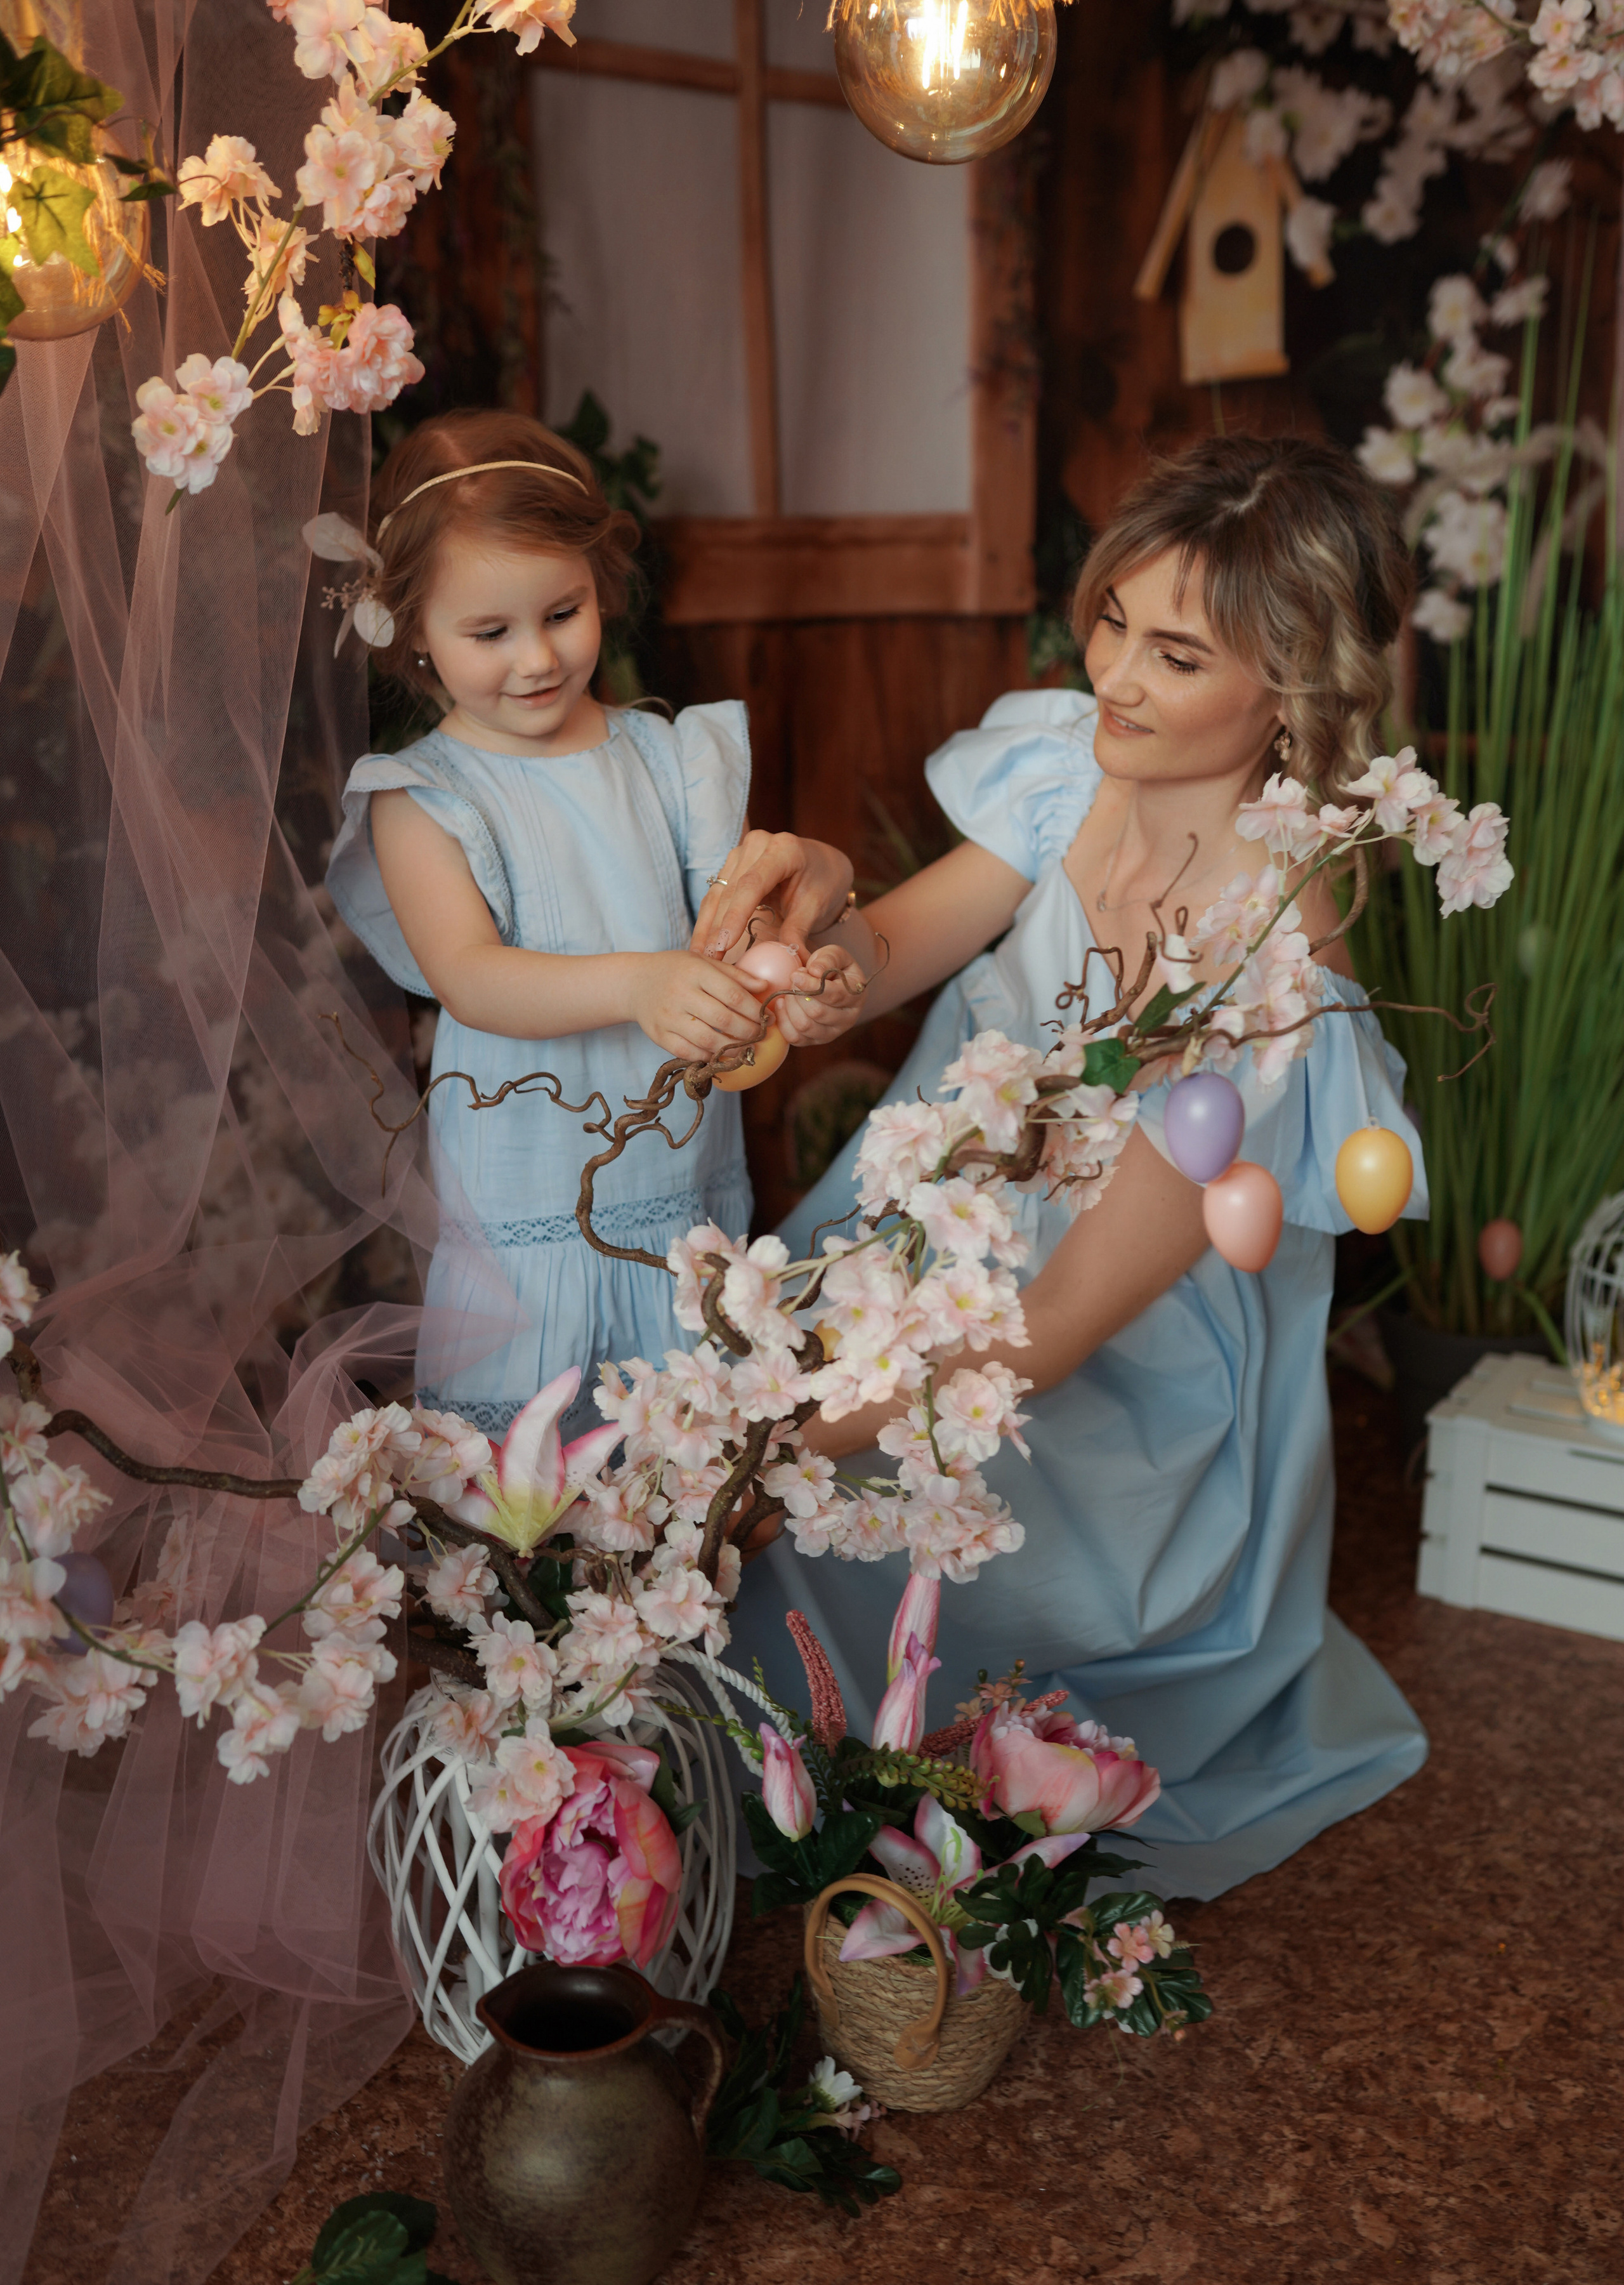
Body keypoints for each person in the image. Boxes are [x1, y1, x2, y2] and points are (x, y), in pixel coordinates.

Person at [719, 435, 1431, 1900]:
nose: (1113, 674)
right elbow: (898, 940)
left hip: (1105, 1365)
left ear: (1289, 690)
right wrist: (823, 961)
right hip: (935, 1227)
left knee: (813, 1514)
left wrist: (782, 1441)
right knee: (719, 1403)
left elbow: (1054, 1330)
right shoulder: (1066, 768)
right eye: (1111, 620)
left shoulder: (1267, 968)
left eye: (1175, 656)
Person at [327, 409, 858, 1437]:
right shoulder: (425, 796)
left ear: (598, 584)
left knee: (682, 1455)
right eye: (489, 633)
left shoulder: (669, 758)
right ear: (414, 629)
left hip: (677, 1179)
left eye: (562, 612)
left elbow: (737, 920)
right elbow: (470, 974)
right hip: (531, 1191)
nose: (536, 658)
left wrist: (791, 968)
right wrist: (636, 982)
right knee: (535, 1471)